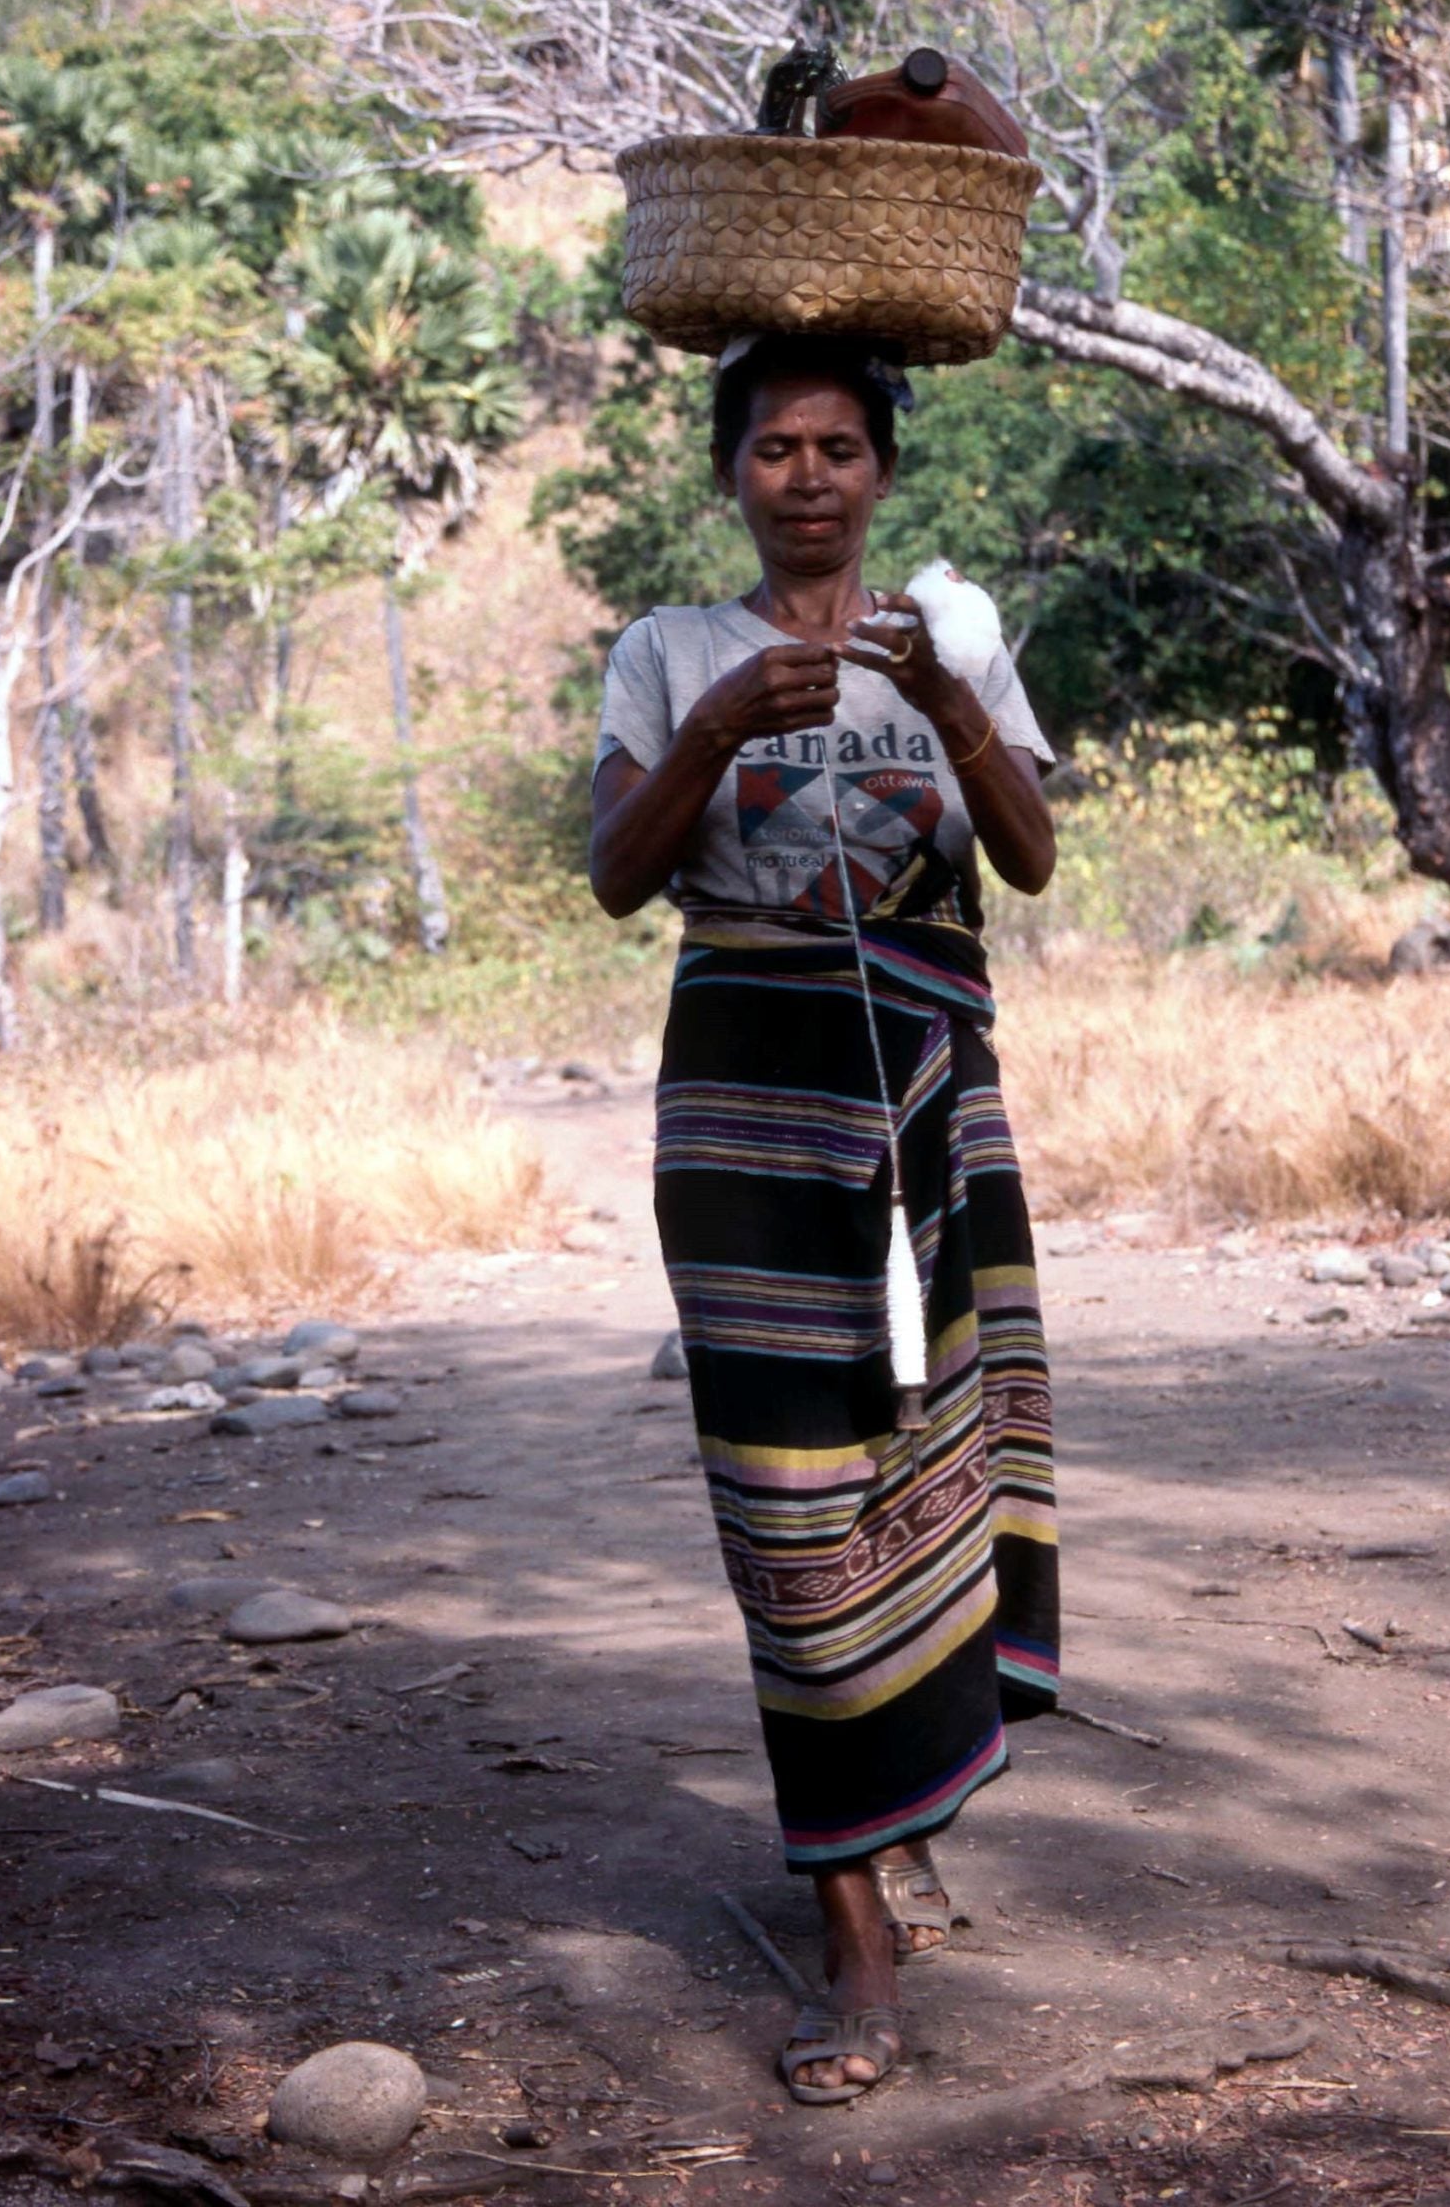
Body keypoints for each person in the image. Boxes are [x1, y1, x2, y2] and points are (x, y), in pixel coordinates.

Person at [588, 332, 1060, 2104]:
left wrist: (943, 702)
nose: (805, 475)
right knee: (788, 1493)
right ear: (731, 475)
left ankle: (911, 1785)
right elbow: (621, 878)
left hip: (927, 1089)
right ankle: (848, 1913)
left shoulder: (955, 639)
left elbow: (1027, 855)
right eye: (774, 446)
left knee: (941, 1448)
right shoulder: (669, 652)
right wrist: (717, 728)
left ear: (880, 470)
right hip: (741, 1095)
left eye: (838, 446)